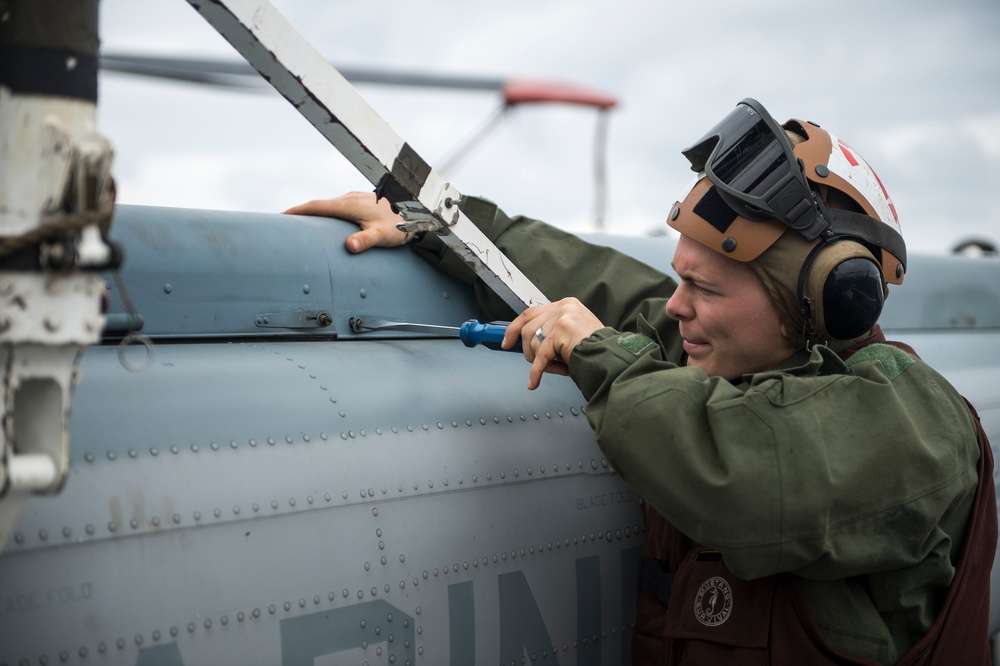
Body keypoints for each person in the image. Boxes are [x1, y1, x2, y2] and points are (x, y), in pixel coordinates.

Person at [286, 99, 997, 665]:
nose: (677, 305)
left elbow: (743, 472)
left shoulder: (912, 426)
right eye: (681, 278)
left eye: (706, 289)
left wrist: (596, 352)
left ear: (817, 300)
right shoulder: (748, 353)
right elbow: (618, 290)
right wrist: (444, 226)